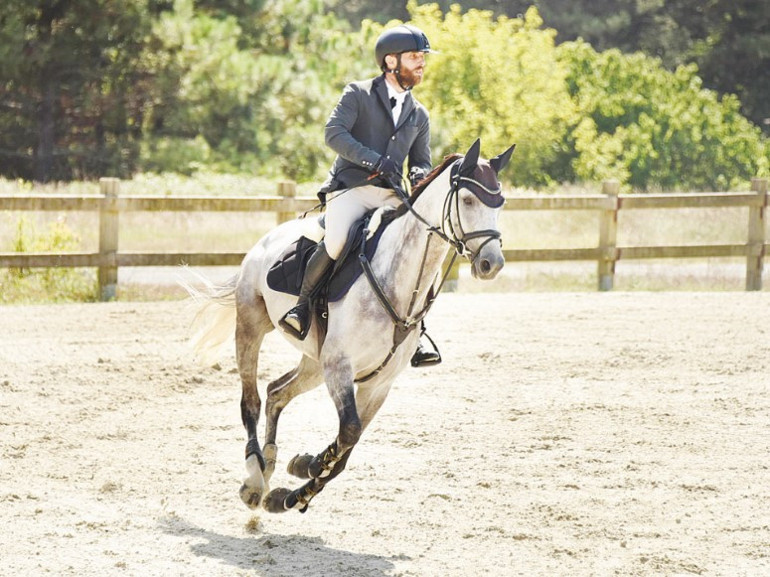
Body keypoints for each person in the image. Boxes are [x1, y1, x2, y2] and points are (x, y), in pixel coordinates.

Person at [279, 23, 442, 367]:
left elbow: (422, 160)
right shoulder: (358, 94)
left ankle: (420, 329)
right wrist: (373, 159)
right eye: (414, 57)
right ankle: (302, 307)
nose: (421, 63)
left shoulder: (419, 114)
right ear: (390, 61)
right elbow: (333, 134)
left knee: (422, 248)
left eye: (422, 57)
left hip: (390, 195)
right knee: (337, 240)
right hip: (351, 187)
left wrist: (418, 175)